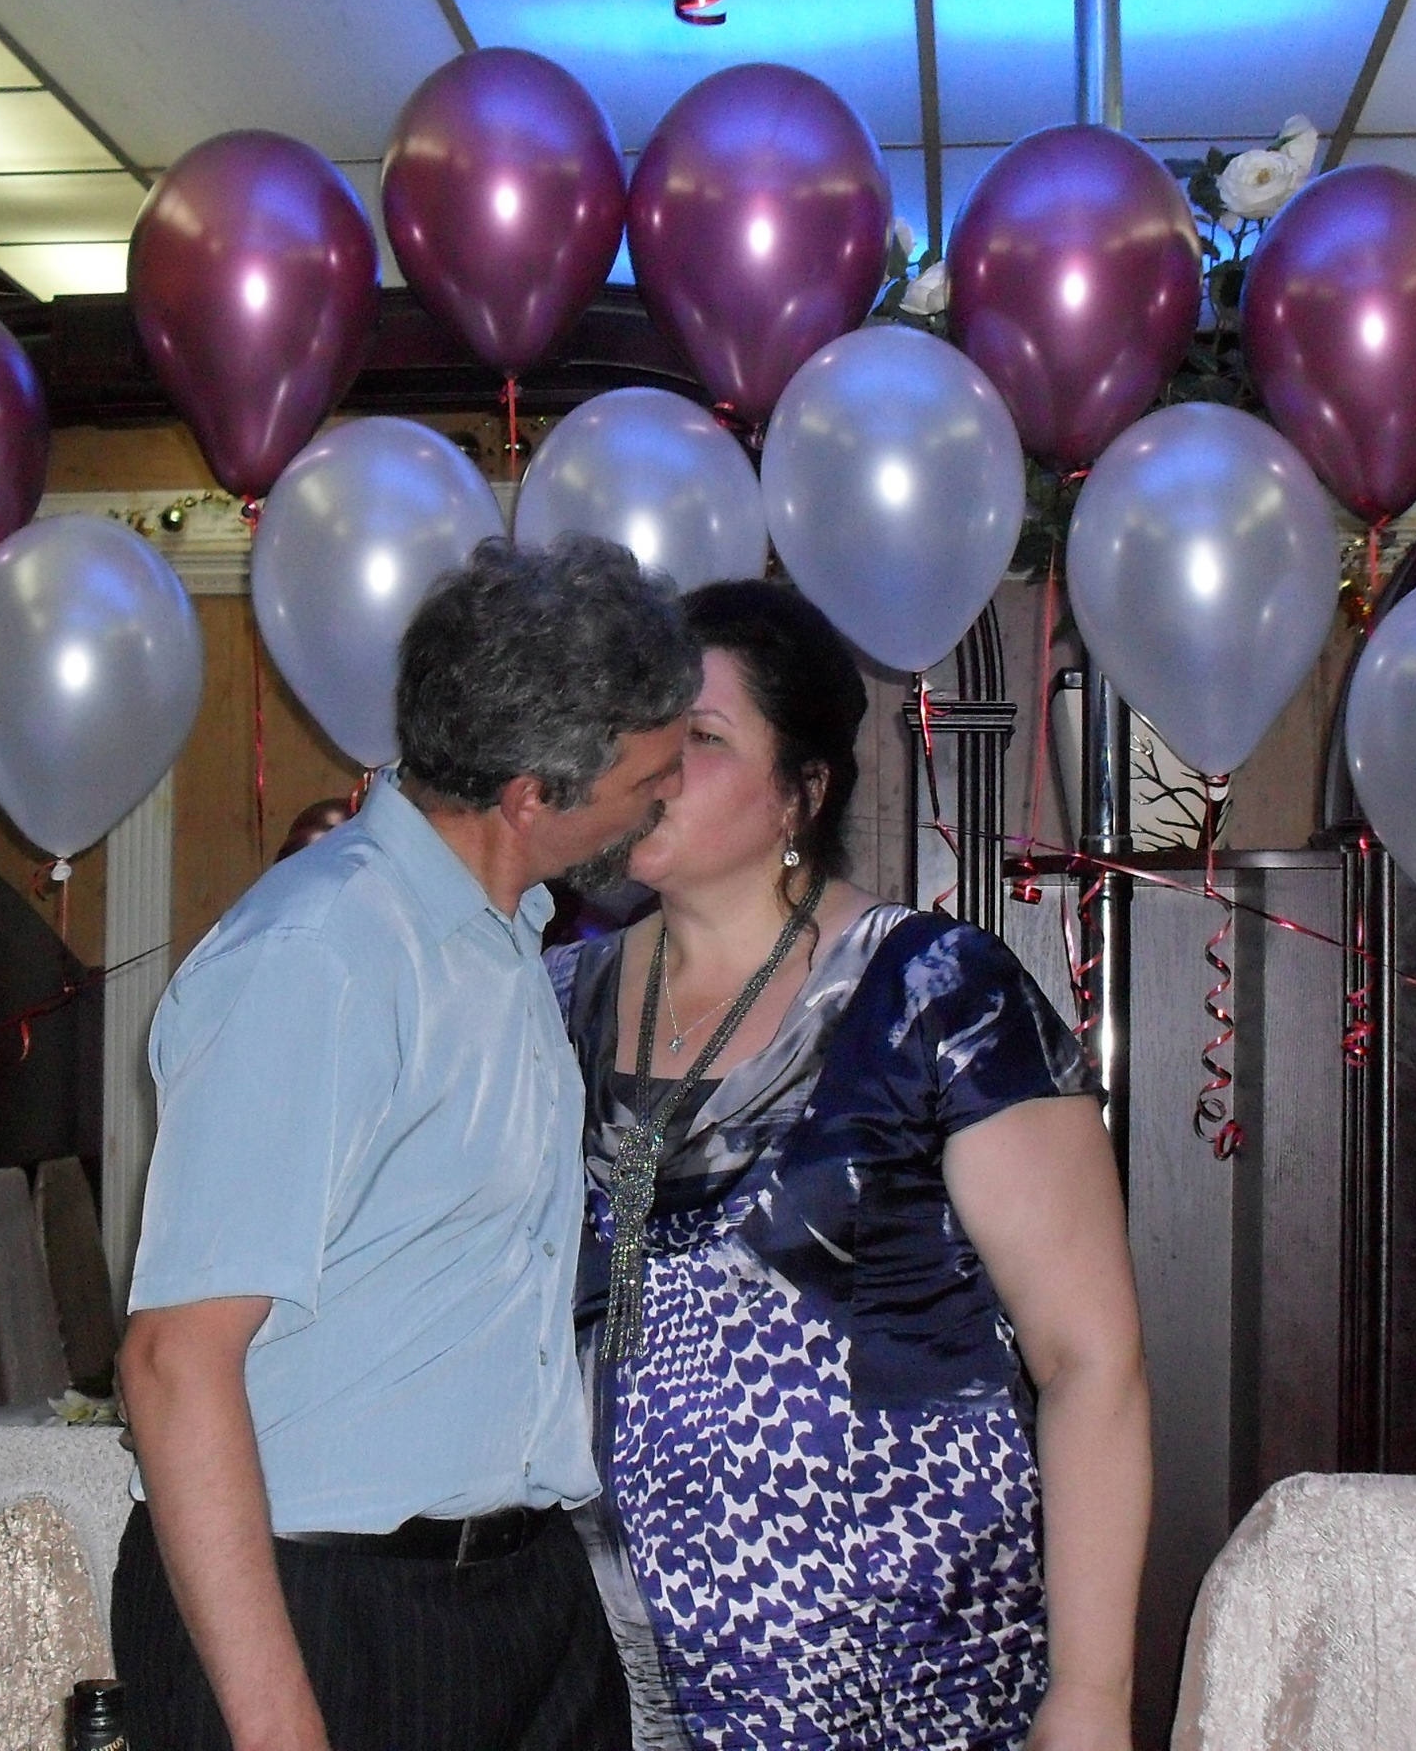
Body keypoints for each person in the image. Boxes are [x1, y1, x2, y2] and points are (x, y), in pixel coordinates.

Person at [115, 537, 703, 1751]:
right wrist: (279, 1728)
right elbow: (175, 1360)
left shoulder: (502, 941)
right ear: (533, 795)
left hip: (518, 1597)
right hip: (328, 1613)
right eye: (651, 773)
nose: (671, 791)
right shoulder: (321, 954)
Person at [546, 580, 1150, 1751]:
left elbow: (1090, 1361)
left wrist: (1091, 1694)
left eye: (701, 735)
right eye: (634, 729)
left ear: (803, 789)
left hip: (901, 1667)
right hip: (609, 1665)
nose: (651, 762)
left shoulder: (936, 993)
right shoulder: (547, 1000)